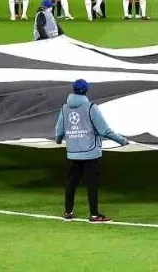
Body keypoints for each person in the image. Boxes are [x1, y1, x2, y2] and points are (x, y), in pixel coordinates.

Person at [55, 79, 129, 223]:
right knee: (92, 184)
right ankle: (94, 215)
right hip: (90, 153)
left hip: (73, 152)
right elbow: (104, 130)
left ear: (73, 89)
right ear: (86, 90)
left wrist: (58, 140)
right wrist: (122, 140)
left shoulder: (65, 108)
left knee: (71, 183)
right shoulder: (91, 107)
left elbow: (59, 130)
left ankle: (68, 212)